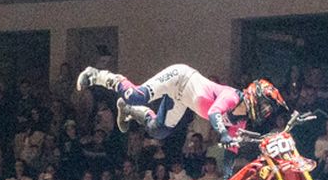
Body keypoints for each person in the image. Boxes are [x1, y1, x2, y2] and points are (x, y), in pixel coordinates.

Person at [76, 65, 286, 153]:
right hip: (180, 78)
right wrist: (223, 133)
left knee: (158, 130)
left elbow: (232, 147)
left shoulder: (241, 121)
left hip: (183, 99)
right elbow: (214, 113)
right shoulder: (232, 96)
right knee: (137, 94)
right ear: (255, 97)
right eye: (266, 104)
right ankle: (97, 75)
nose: (266, 110)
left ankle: (130, 110)